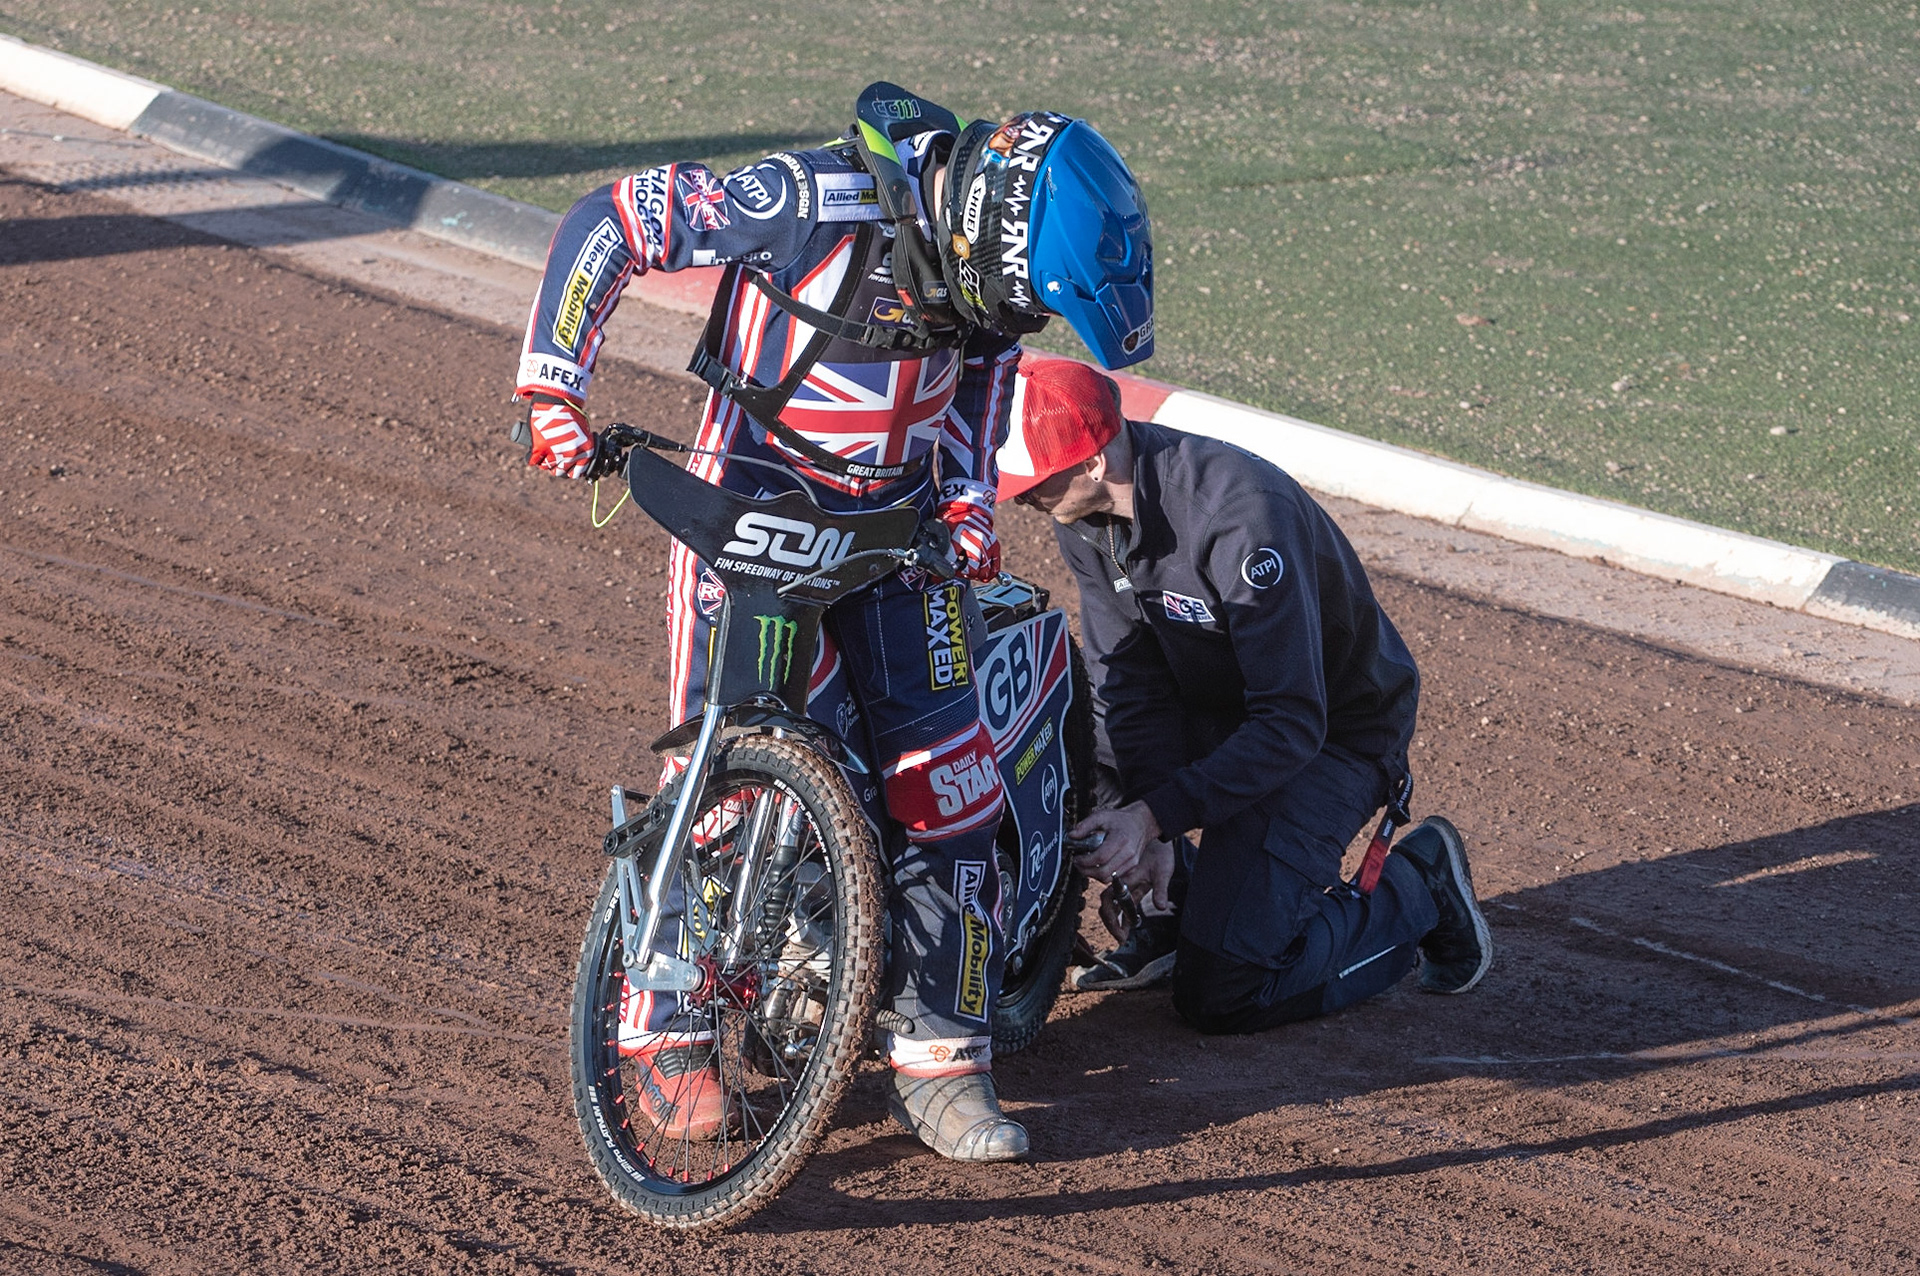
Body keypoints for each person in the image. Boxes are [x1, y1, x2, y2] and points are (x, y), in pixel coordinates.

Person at [512, 86, 1153, 1158]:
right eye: (1015, 294)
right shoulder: (812, 199)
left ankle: (943, 1062)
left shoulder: (983, 289)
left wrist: (965, 501)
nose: (1012, 319)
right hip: (748, 510)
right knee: (714, 783)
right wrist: (553, 382)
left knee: (953, 792)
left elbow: (983, 379)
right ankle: (662, 1029)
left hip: (898, 538)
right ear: (982, 228)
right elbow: (613, 219)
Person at [999, 359, 1490, 1034]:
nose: (1020, 498)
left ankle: (1419, 889)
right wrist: (1154, 825)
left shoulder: (1238, 516)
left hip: (1330, 735)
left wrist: (1153, 816)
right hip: (1219, 710)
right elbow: (1128, 680)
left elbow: (1291, 722)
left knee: (1226, 988)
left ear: (1091, 462)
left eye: (1032, 482)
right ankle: (1179, 908)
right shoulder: (1082, 514)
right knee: (1062, 740)